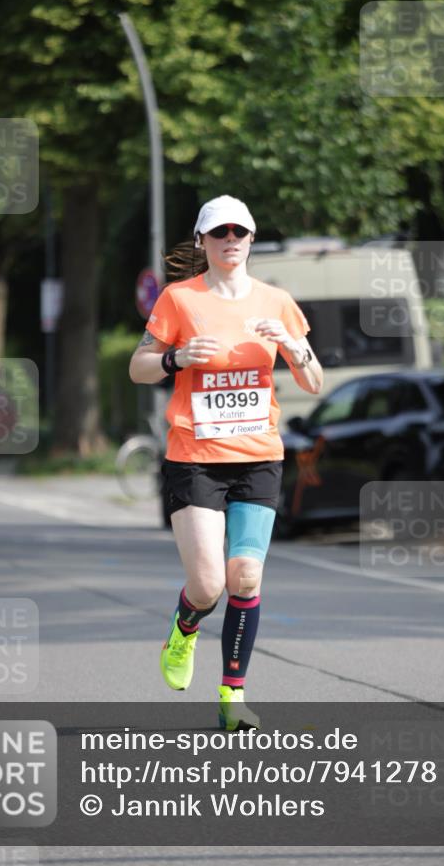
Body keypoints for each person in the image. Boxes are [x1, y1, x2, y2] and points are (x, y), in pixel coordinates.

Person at [129, 196, 322, 730]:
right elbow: (138, 367)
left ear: (252, 239)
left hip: (259, 456)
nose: (230, 239)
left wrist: (292, 345)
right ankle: (184, 628)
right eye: (220, 232)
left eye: (240, 231)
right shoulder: (179, 299)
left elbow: (313, 381)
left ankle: (232, 696)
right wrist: (174, 359)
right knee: (210, 583)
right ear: (203, 242)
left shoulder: (278, 301)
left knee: (246, 574)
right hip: (195, 458)